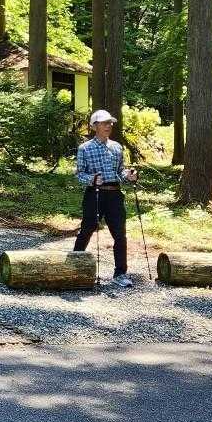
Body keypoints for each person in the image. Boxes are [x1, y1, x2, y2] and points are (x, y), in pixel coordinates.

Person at [72, 108, 138, 288]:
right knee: (87, 229)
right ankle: (74, 266)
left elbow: (120, 172)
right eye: (104, 123)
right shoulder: (85, 148)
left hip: (115, 194)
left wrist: (129, 175)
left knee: (120, 234)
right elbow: (79, 174)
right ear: (94, 127)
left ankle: (120, 273)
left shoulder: (117, 147)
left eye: (110, 123)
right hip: (94, 194)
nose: (108, 126)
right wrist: (91, 179)